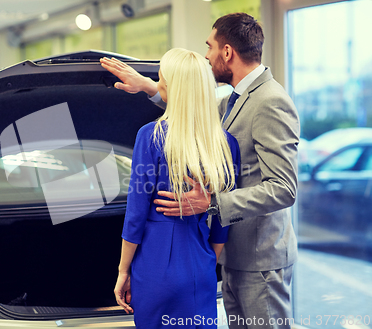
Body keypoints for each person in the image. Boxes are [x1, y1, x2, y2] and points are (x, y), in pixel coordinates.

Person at [102, 13, 299, 329]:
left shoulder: (270, 100)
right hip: (216, 256)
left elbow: (285, 189)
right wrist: (151, 87)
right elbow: (190, 108)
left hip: (259, 257)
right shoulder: (231, 104)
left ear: (227, 52)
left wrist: (212, 204)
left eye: (209, 47)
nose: (206, 56)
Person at [114, 48, 241, 329]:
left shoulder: (150, 136)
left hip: (155, 265)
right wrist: (207, 261)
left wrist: (124, 271)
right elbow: (223, 220)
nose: (158, 86)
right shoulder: (226, 143)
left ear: (173, 88)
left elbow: (135, 215)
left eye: (161, 80)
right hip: (201, 263)